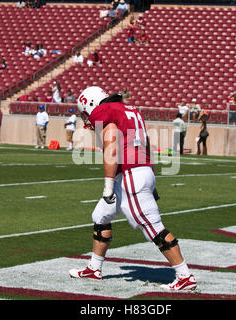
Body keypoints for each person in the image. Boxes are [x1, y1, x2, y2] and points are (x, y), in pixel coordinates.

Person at [69, 86, 197, 291]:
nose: (86, 118)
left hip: (131, 174)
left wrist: (108, 186)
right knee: (101, 215)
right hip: (140, 170)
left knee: (152, 226)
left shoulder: (107, 111)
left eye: (85, 112)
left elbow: (112, 148)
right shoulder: (130, 110)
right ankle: (94, 268)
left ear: (91, 104)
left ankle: (185, 276)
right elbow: (143, 145)